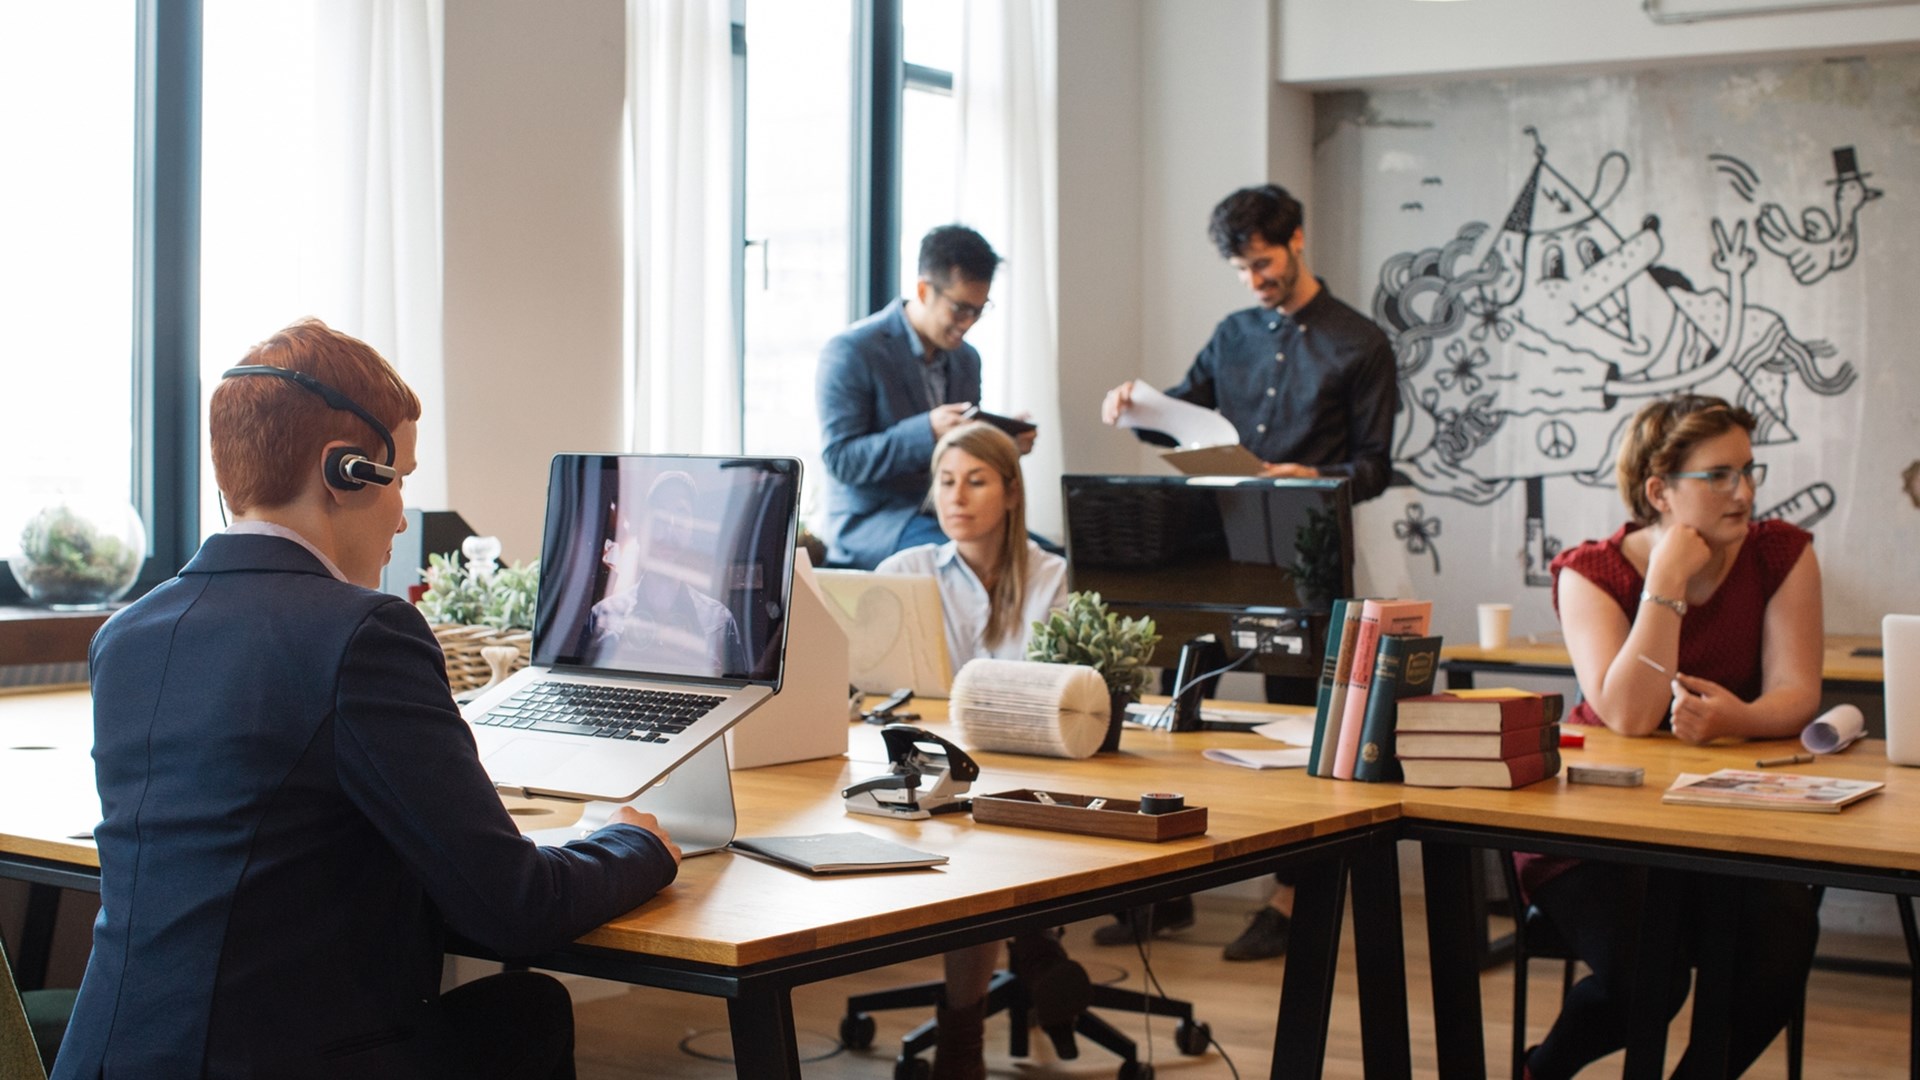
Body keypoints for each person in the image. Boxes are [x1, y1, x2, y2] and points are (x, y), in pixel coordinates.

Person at [55, 319, 684, 1080]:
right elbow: (516, 908)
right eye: (401, 480)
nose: (401, 517)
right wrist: (636, 843)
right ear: (345, 472)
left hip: (105, 1063)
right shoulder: (364, 635)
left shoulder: (127, 636)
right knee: (528, 1009)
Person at [1096, 182, 1399, 960]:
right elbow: (1182, 415)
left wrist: (1313, 473)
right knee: (1176, 708)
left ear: (1296, 239)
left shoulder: (1361, 342)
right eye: (1241, 268)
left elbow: (1375, 468)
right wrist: (1136, 405)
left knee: (1302, 723)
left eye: (1262, 262)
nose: (1253, 280)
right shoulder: (1231, 334)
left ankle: (1297, 901)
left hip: (1306, 553)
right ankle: (1162, 891)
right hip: (1215, 548)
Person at [1523, 393, 1822, 1079]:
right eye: (1719, 475)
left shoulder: (1781, 553)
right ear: (1658, 490)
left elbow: (1798, 694)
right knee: (1649, 985)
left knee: (1782, 938)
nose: (1743, 492)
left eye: (1748, 471)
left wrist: (1735, 720)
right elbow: (1627, 713)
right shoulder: (1590, 573)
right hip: (1596, 828)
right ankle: (1539, 1071)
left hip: (1719, 818)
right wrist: (1665, 582)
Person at [874, 422, 1074, 1080]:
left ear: (1012, 493)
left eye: (977, 481)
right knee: (976, 846)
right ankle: (1030, 945)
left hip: (1033, 769)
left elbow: (1064, 693)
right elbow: (874, 685)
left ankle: (967, 1024)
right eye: (946, 481)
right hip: (937, 772)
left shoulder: (1051, 577)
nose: (957, 497)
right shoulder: (905, 574)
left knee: (985, 845)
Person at [817, 224, 1036, 570]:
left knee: (1048, 558)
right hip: (874, 524)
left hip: (945, 513)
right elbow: (841, 459)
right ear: (923, 290)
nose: (968, 324)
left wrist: (1002, 443)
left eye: (979, 310)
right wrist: (927, 431)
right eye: (960, 309)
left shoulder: (966, 359)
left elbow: (963, 453)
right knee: (992, 560)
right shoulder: (851, 352)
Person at [587, 469, 745, 675]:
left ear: (692, 532)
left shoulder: (720, 622)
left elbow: (741, 697)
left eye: (681, 513)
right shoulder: (602, 618)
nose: (670, 525)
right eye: (660, 511)